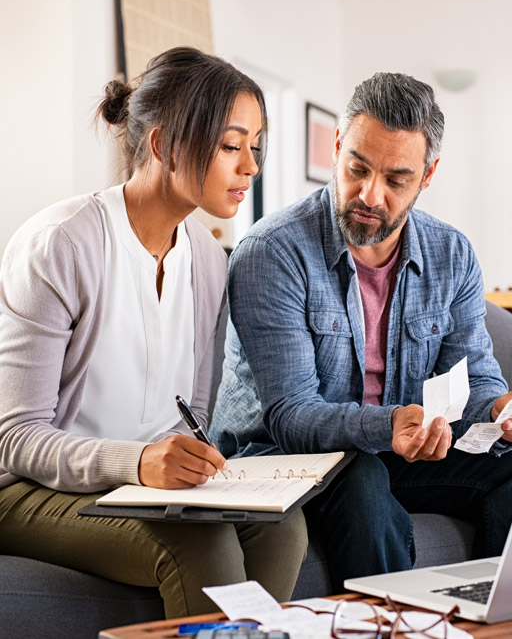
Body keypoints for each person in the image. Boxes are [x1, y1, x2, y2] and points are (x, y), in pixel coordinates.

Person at [210, 72, 512, 594]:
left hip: (395, 448)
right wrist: (390, 425)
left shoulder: (451, 254)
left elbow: (475, 376)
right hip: (280, 458)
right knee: (362, 477)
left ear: (427, 175)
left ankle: (497, 621)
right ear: (338, 147)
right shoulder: (273, 252)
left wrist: (500, 411)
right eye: (357, 169)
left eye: (396, 180)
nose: (370, 194)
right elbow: (290, 417)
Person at [0, 47, 307, 617]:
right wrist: (138, 462)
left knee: (282, 527)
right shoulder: (61, 245)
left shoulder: (211, 261)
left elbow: (189, 411)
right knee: (202, 541)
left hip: (141, 488)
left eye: (255, 147)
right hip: (26, 490)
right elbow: (16, 438)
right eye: (230, 145)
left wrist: (196, 462)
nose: (250, 167)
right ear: (164, 145)